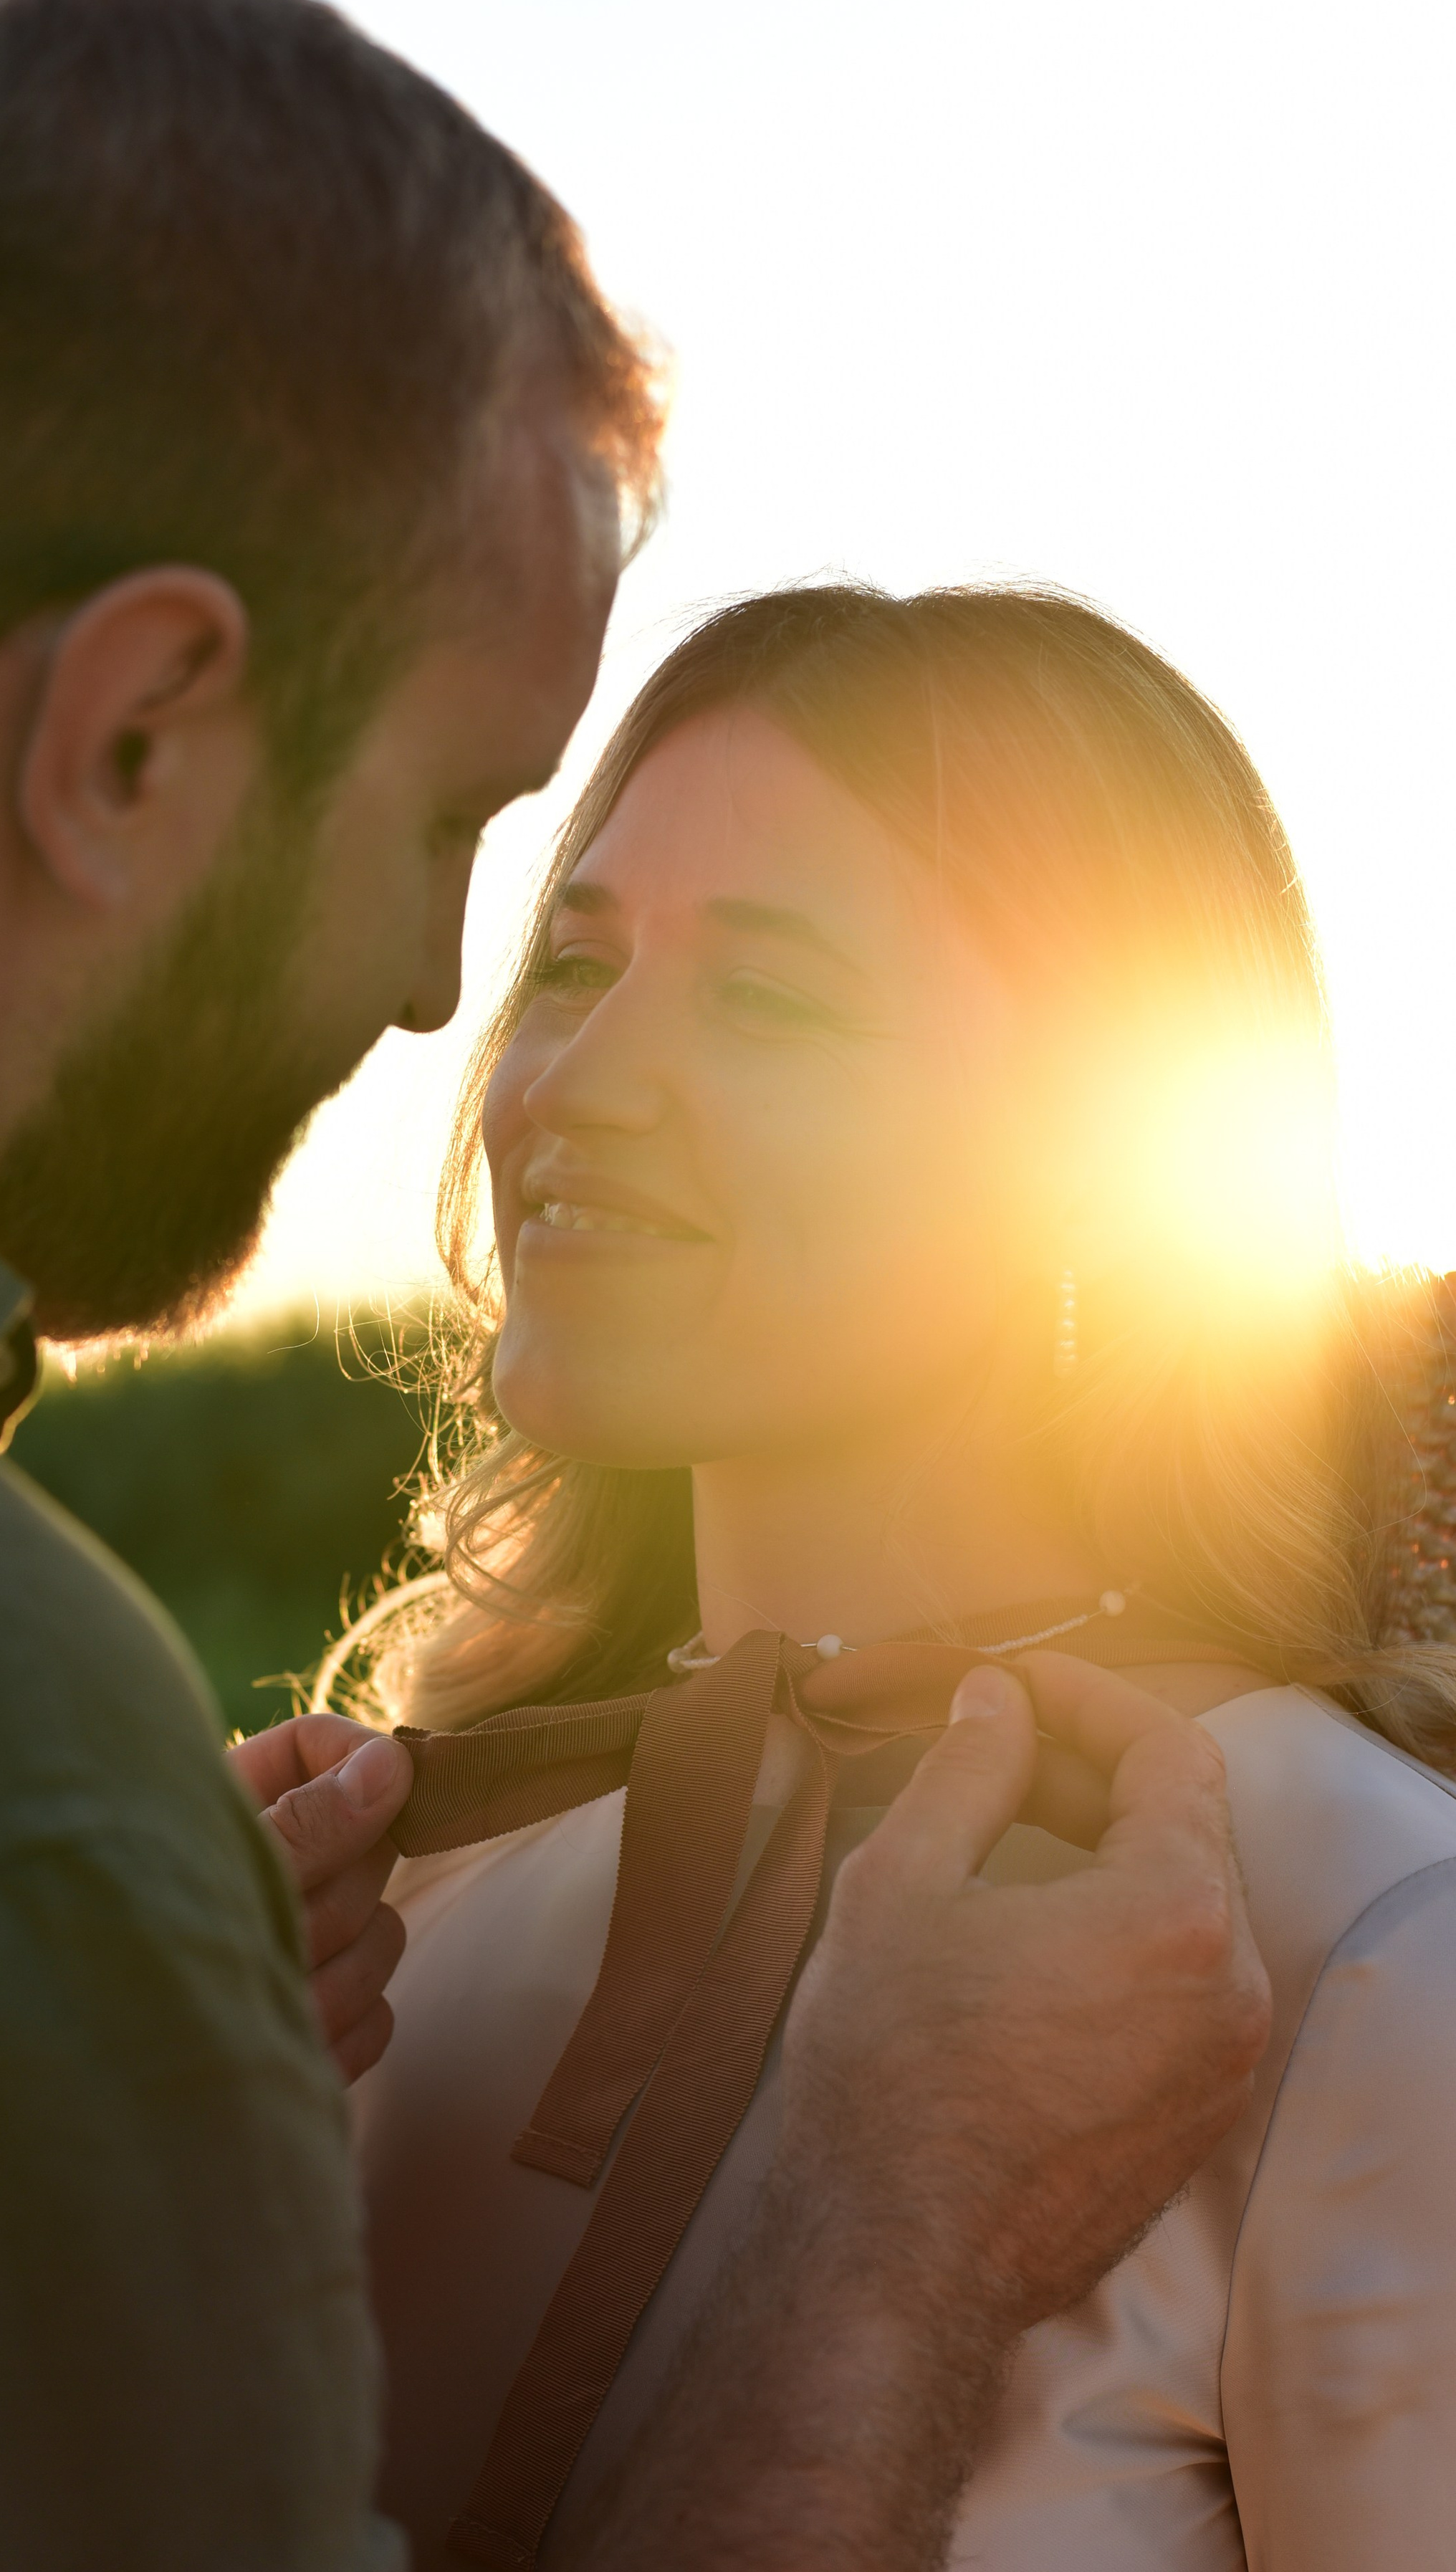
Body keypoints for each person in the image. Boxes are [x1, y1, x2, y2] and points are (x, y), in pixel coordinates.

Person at [0, 0, 1264, 2569]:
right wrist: (885, 2245)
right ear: (137, 731)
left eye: (782, 992)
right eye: (465, 838)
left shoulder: (1343, 1910)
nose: (444, 1004)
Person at [345, 582, 1456, 2570]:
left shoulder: (1367, 1942)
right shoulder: (404, 1908)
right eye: (576, 963)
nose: (573, 1079)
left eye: (768, 998)